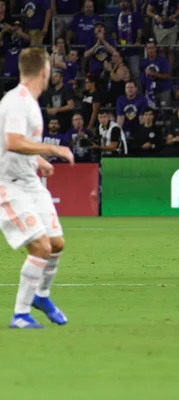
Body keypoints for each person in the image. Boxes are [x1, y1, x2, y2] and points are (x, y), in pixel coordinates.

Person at [0, 48, 74, 329]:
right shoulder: (18, 102)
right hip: (9, 186)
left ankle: (41, 295)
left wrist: (39, 160)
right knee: (41, 246)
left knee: (56, 244)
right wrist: (52, 149)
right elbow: (14, 141)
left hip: (30, 182)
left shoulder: (28, 102)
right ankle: (20, 314)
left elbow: (18, 144)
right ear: (45, 72)